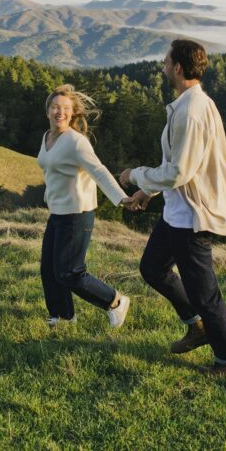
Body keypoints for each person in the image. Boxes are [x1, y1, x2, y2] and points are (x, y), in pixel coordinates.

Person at [120, 40, 226, 378]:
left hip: (192, 217)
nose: (163, 64)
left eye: (166, 60)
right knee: (152, 268)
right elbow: (177, 165)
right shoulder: (188, 104)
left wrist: (135, 175)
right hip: (176, 212)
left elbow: (181, 171)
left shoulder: (192, 111)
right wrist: (148, 192)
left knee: (205, 293)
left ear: (178, 67)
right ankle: (197, 327)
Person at [38, 84, 137, 329]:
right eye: (55, 107)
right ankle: (62, 317)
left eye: (65, 108)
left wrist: (121, 198)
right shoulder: (47, 137)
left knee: (69, 272)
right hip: (57, 213)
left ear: (72, 114)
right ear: (48, 110)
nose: (59, 112)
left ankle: (115, 301)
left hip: (77, 215)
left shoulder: (76, 142)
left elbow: (99, 171)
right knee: (49, 270)